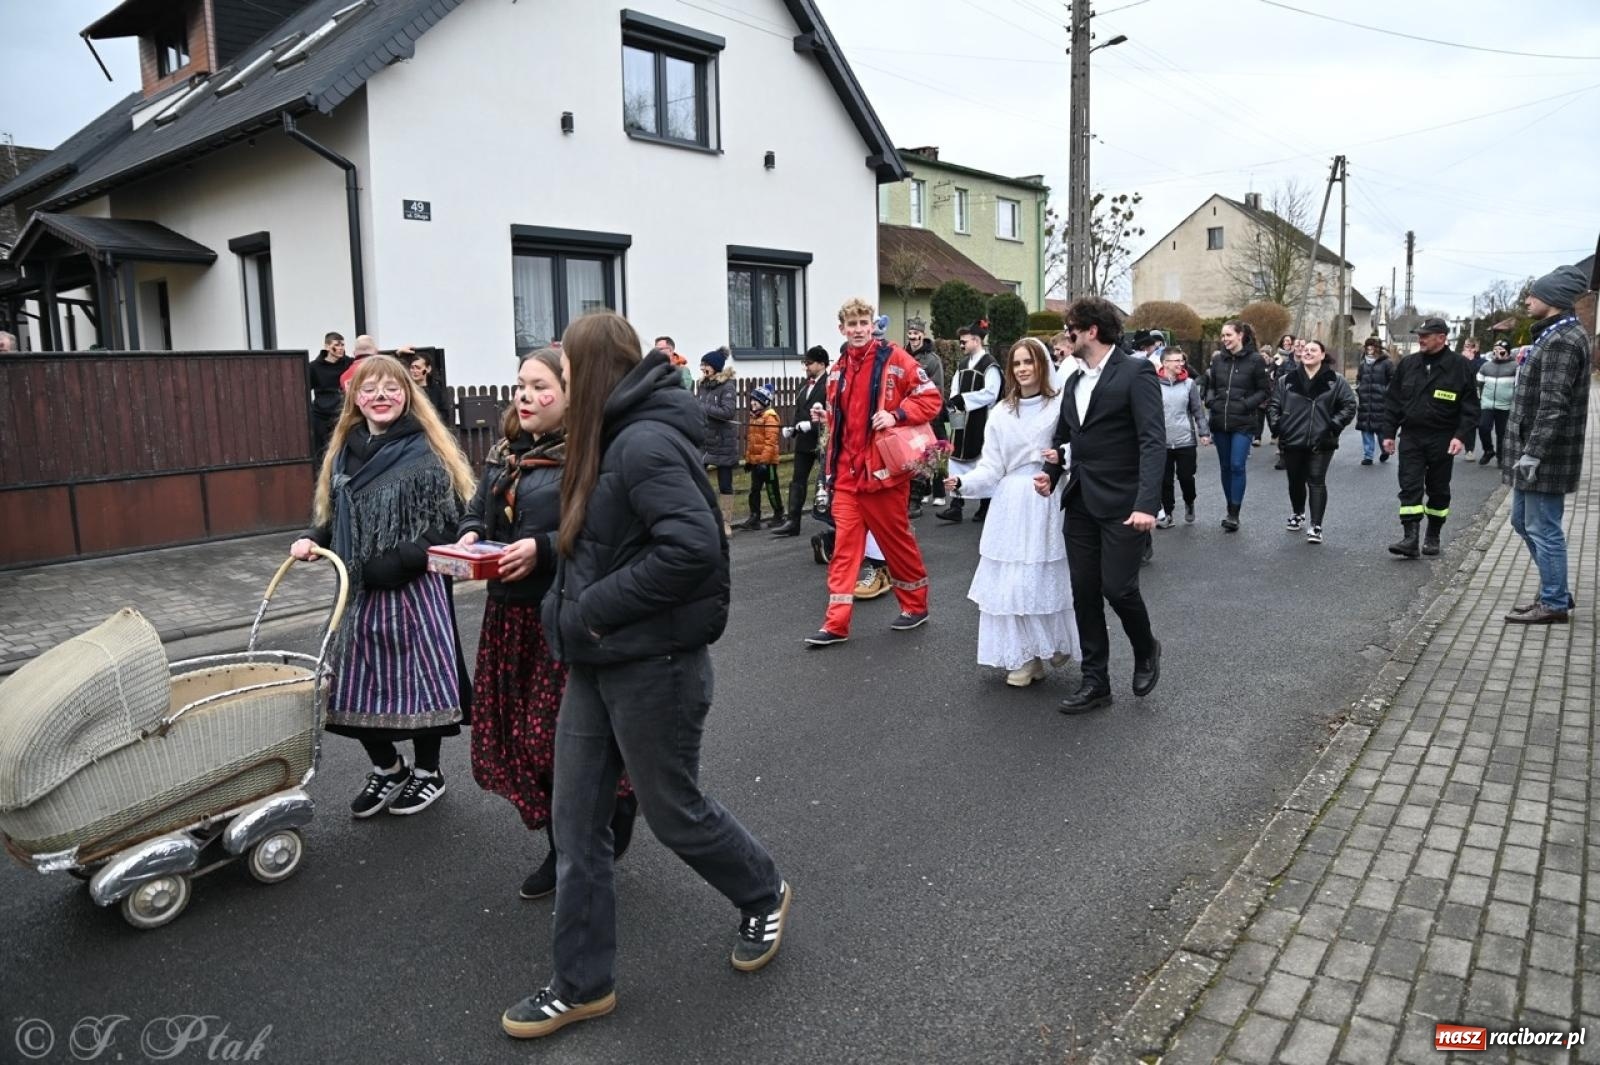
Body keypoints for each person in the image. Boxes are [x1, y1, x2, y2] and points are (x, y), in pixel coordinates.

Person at [502, 312, 789, 1040]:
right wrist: (565, 611)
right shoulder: (603, 437)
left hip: (655, 667)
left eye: (561, 373)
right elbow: (593, 544)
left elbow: (693, 549)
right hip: (596, 663)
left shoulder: (646, 441)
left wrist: (590, 608)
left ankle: (763, 891)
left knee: (673, 812)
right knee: (576, 826)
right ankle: (581, 983)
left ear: (589, 373)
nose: (550, 384)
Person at [456, 348, 637, 898]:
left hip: (560, 615)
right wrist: (468, 531)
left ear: (571, 395)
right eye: (520, 386)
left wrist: (541, 547)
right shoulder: (506, 450)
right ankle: (565, 844)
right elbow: (478, 507)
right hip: (508, 618)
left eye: (540, 388)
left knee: (556, 744)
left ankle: (603, 817)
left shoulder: (592, 453)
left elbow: (606, 534)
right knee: (517, 740)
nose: (526, 398)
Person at [289, 354, 476, 817]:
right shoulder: (344, 450)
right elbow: (337, 519)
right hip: (359, 592)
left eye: (391, 388)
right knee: (352, 686)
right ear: (355, 397)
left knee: (420, 686)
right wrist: (314, 539)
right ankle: (389, 768)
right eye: (369, 388)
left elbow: (450, 523)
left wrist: (400, 561)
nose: (380, 396)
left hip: (415, 591)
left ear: (407, 394)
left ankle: (428, 773)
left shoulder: (428, 450)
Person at [1037, 297, 1164, 714]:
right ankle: (1096, 682)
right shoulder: (1074, 381)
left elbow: (1151, 440)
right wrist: (1051, 474)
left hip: (1125, 502)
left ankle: (1146, 648)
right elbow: (1063, 438)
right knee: (1084, 591)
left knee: (1118, 588)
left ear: (1092, 330)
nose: (1065, 335)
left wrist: (1148, 503)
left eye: (1071, 327)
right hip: (1081, 501)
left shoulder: (1136, 371)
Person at [805, 297, 941, 647]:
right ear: (842, 329)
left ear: (872, 325)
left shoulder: (895, 358)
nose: (858, 330)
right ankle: (836, 623)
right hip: (848, 477)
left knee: (896, 544)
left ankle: (916, 605)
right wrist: (827, 418)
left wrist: (897, 414)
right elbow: (844, 423)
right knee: (844, 551)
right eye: (852, 324)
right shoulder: (837, 370)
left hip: (884, 475)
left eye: (863, 323)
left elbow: (931, 398)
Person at [944, 338, 1079, 687]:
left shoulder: (1060, 404)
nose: (1022, 369)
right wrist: (962, 483)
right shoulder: (1001, 412)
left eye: (1028, 362)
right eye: (1016, 363)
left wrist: (1061, 460)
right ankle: (1026, 656)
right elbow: (992, 467)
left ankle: (1053, 643)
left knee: (1043, 577)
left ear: (1042, 365)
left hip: (1046, 495)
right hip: (1010, 503)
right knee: (1011, 583)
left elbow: (1073, 447)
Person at [1501, 265, 1591, 624]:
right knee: (1522, 521)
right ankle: (1556, 589)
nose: (1527, 299)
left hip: (1546, 455)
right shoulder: (1552, 334)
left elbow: (1553, 405)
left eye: (1533, 294)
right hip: (1535, 452)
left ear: (1552, 299)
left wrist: (1533, 452)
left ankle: (1554, 602)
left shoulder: (1563, 340)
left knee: (1543, 527)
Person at [1381, 318, 1479, 559]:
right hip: (1412, 436)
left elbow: (1470, 408)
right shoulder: (1408, 364)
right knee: (1409, 487)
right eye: (1419, 335)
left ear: (1442, 338)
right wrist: (1388, 433)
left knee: (1438, 490)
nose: (1420, 339)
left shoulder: (1459, 367)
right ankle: (1410, 538)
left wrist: (1460, 436)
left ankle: (1433, 535)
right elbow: (1392, 401)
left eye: (1426, 335)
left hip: (1443, 438)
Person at [1266, 339, 1356, 544]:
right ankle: (1298, 513)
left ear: (1323, 355)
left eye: (1313, 350)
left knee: (1316, 480)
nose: (1308, 353)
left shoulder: (1336, 380)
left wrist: (1332, 426)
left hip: (1322, 440)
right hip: (1292, 439)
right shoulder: (1287, 380)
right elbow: (1274, 406)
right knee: (1295, 480)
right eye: (1305, 350)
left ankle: (1316, 525)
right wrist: (1279, 427)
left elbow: (1349, 406)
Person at [1203, 320, 1271, 531]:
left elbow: (1264, 390)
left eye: (1228, 335)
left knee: (1236, 465)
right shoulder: (1218, 360)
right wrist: (1211, 401)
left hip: (1243, 422)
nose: (1225, 340)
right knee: (1225, 467)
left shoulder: (1255, 360)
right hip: (1220, 420)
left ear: (1240, 335)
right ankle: (1229, 507)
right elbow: (1211, 387)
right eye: (1223, 336)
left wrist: (1245, 405)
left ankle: (1234, 513)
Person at [940, 319, 1001, 523]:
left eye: (964, 341)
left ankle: (986, 505)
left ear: (976, 340)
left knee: (982, 460)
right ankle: (956, 506)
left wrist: (965, 400)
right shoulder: (963, 364)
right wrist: (954, 401)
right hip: (962, 419)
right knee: (955, 458)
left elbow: (991, 393)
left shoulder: (990, 365)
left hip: (981, 420)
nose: (962, 345)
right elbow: (956, 388)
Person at [773, 346, 830, 537]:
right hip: (804, 441)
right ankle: (793, 521)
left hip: (823, 440)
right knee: (797, 480)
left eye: (809, 363)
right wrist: (793, 428)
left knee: (828, 481)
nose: (806, 366)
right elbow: (800, 411)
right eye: (805, 363)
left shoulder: (830, 384)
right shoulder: (803, 385)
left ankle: (832, 518)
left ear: (821, 364)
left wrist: (813, 426)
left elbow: (832, 413)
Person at [1156, 346, 1209, 528]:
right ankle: (1168, 513)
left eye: (1182, 360)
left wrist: (1203, 432)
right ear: (1165, 363)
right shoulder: (1153, 384)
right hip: (1161, 442)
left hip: (1185, 440)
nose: (1181, 363)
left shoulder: (1189, 384)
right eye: (1176, 360)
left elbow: (1197, 411)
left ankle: (1189, 501)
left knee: (1186, 477)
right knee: (1165, 480)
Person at [904, 316, 948, 509]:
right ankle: (922, 490)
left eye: (917, 334)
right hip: (910, 412)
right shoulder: (903, 355)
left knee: (935, 452)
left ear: (923, 335)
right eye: (911, 333)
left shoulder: (932, 360)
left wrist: (931, 411)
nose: (913, 337)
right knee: (915, 452)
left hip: (930, 413)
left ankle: (939, 492)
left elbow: (937, 388)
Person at [696, 347, 739, 534]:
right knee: (697, 479)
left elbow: (728, 412)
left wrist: (704, 407)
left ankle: (726, 523)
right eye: (702, 365)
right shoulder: (703, 385)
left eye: (705, 365)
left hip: (723, 441)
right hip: (705, 441)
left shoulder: (728, 385)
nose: (702, 368)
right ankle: (703, 519)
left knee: (725, 484)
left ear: (715, 367)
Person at [734, 384, 785, 530]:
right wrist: (749, 461)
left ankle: (779, 514)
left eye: (756, 401)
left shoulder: (770, 417)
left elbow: (771, 442)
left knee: (771, 489)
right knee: (754, 490)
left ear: (764, 402)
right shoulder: (754, 417)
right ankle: (754, 517)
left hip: (768, 462)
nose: (752, 403)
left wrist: (764, 461)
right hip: (756, 461)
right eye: (752, 400)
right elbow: (752, 442)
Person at [307, 332, 352, 463]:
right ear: (327, 347)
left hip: (342, 413)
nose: (341, 348)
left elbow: (367, 361)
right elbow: (304, 389)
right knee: (322, 451)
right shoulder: (314, 367)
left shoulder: (348, 363)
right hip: (321, 415)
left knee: (343, 448)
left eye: (343, 345)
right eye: (336, 345)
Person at [1476, 340, 1517, 465]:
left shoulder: (1515, 367)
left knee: (1502, 433)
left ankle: (1501, 457)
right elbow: (1479, 384)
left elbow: (1518, 386)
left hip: (1505, 406)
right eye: (1495, 350)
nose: (1497, 353)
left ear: (1508, 352)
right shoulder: (1486, 366)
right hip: (1487, 403)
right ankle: (1488, 451)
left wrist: (1514, 403)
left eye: (1501, 350)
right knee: (1483, 427)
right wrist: (1480, 399)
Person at [1354, 337, 1393, 465]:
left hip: (1381, 401)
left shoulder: (1386, 362)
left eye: (1372, 346)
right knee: (1366, 429)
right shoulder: (1362, 363)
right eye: (1368, 347)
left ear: (1377, 348)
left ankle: (1385, 450)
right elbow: (1359, 378)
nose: (1369, 349)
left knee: (1380, 430)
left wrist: (1386, 393)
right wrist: (1359, 388)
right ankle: (1368, 456)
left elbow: (1393, 380)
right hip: (1365, 401)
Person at [1457, 338, 1486, 458]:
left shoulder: (1482, 361)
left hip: (1476, 395)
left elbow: (1476, 373)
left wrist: (1471, 360)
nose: (1468, 348)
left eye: (1471, 346)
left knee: (1471, 422)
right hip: (1460, 394)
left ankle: (1470, 449)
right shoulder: (1458, 359)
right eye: (1466, 346)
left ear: (1476, 348)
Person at [407, 350, 449, 417]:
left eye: (418, 368)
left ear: (428, 369)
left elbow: (443, 411)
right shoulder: (407, 389)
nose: (414, 371)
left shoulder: (435, 389)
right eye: (412, 368)